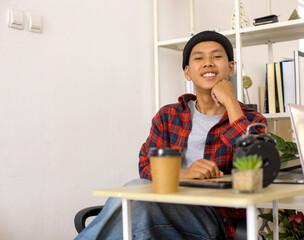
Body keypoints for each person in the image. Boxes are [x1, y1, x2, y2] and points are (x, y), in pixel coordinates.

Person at [75, 30, 267, 240]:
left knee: (134, 200)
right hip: (161, 216)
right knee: (136, 204)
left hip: (213, 222)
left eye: (217, 56)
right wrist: (183, 174)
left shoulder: (251, 119)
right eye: (199, 58)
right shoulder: (168, 116)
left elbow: (258, 167)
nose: (208, 63)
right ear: (187, 72)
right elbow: (146, 167)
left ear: (230, 68)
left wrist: (230, 102)